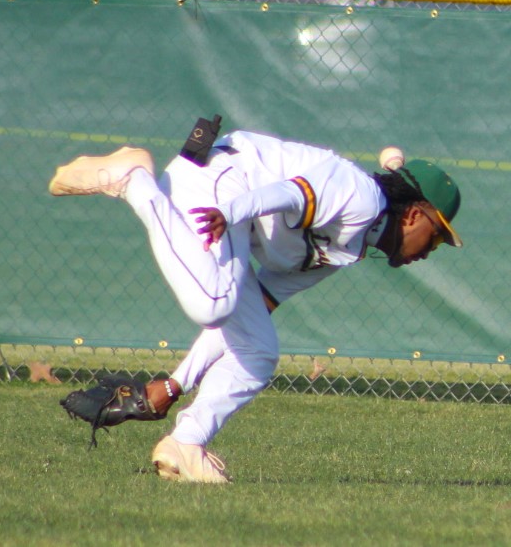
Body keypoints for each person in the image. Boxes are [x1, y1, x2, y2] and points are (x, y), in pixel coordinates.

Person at [48, 125, 462, 483]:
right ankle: (134, 181)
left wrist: (175, 385)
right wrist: (230, 213)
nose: (432, 250)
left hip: (235, 216)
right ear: (413, 216)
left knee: (257, 349)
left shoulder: (345, 251)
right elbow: (288, 193)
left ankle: (185, 444)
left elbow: (254, 309)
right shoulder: (361, 197)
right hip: (220, 180)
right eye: (437, 235)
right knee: (213, 303)